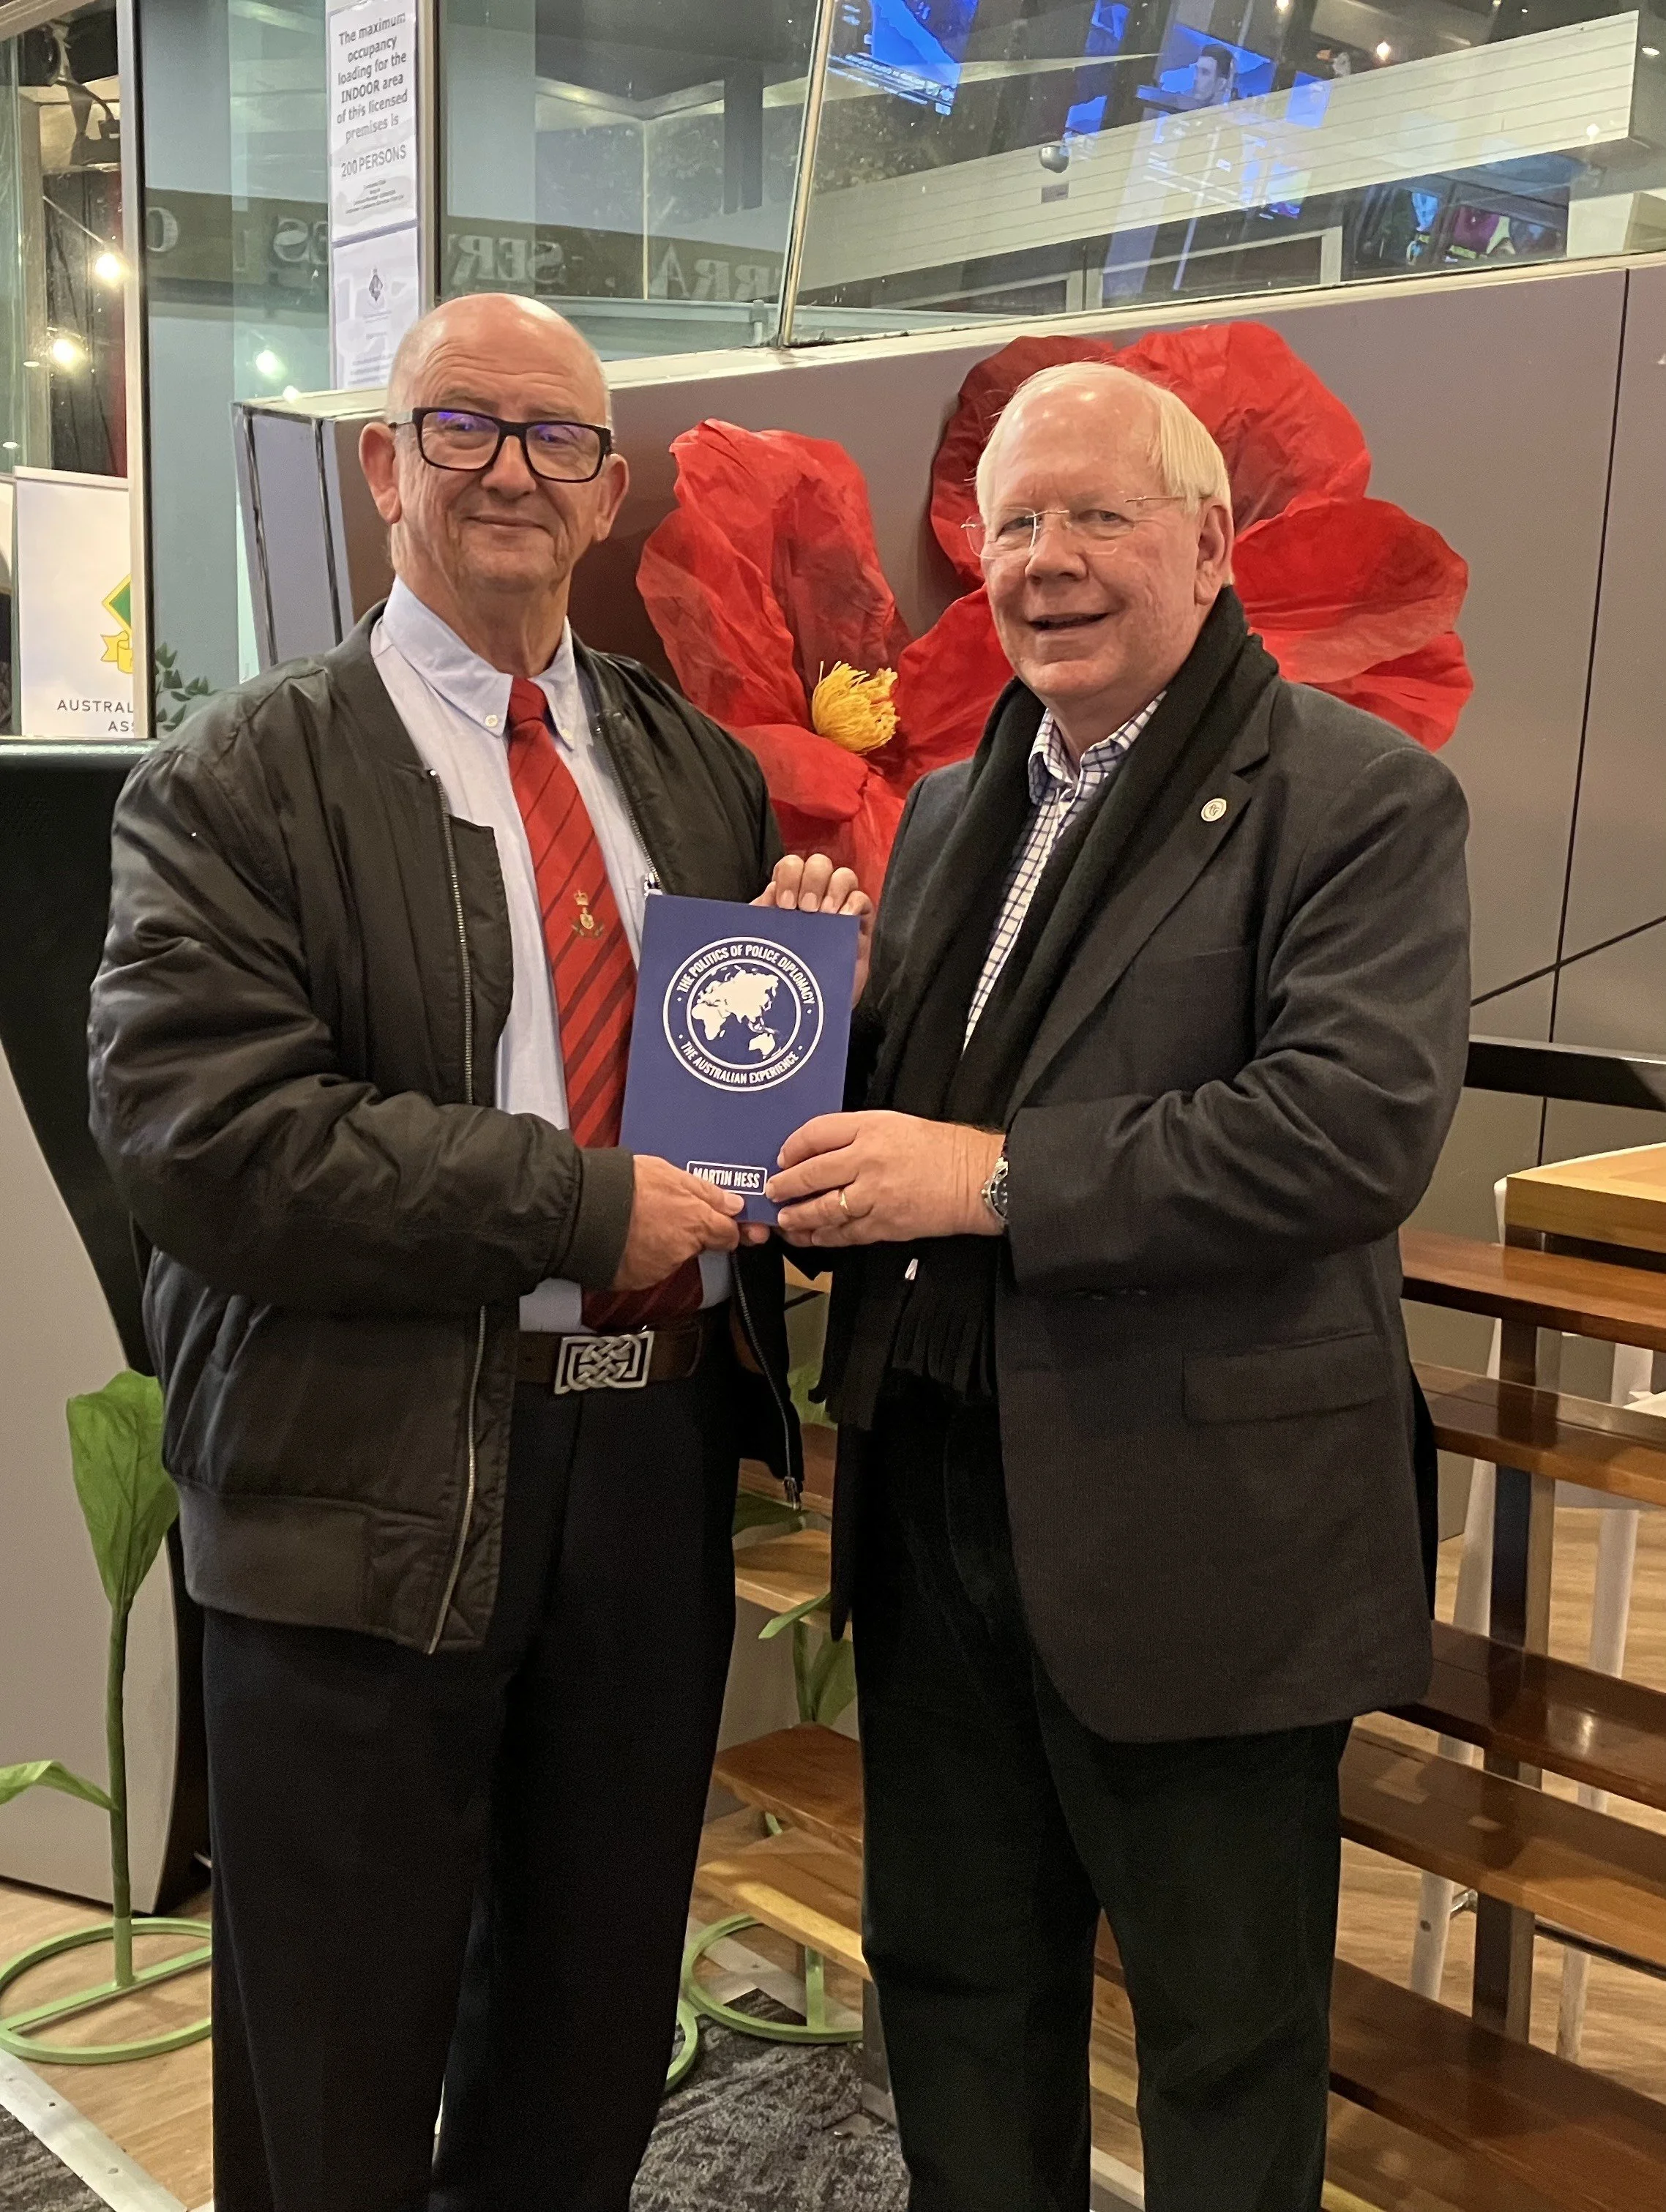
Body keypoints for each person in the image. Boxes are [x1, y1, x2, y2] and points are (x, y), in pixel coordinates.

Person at [87, 291, 868, 2212]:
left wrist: (783, 988)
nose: (510, 465)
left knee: (592, 2022)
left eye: (554, 436)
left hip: (647, 1458)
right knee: (339, 2044)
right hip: (363, 1473)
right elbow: (209, 1132)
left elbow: (713, 1109)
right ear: (384, 467)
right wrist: (581, 1200)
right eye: (462, 426)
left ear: (605, 491)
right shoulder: (240, 776)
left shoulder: (689, 769)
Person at [766, 361, 1470, 2212]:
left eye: (1097, 516)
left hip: (1205, 1541)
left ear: (1212, 545)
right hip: (935, 1510)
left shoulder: (1359, 797)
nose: (1046, 561)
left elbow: (1344, 1133)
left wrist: (985, 1177)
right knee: (956, 1990)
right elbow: (914, 1119)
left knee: (1223, 2045)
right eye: (1011, 523)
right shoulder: (942, 811)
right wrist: (813, 1036)